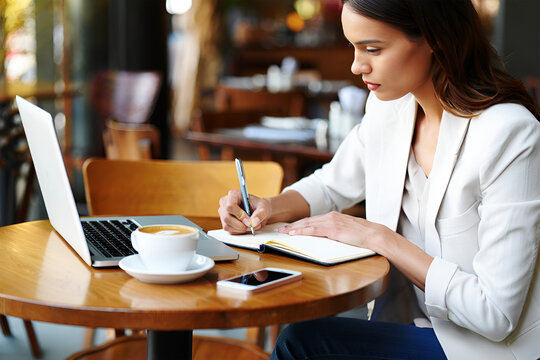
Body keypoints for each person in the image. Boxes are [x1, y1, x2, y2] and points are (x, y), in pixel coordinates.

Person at [218, 0, 540, 358]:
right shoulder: (390, 107)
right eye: (353, 47)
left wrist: (380, 238)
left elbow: (496, 314)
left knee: (300, 343)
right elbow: (330, 184)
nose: (357, 65)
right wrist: (269, 206)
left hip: (484, 348)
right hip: (410, 325)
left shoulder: (510, 134)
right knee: (302, 338)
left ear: (435, 38)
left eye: (373, 48)